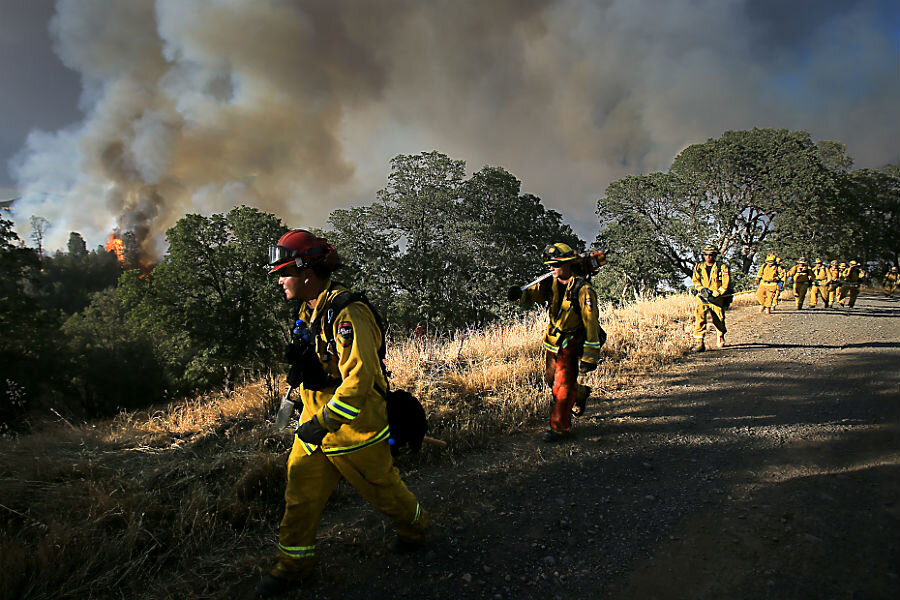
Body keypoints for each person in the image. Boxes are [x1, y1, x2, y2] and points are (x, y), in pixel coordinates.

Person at [256, 229, 428, 596]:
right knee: (299, 495)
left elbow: (360, 379)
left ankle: (416, 530)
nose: (280, 280)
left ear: (306, 273)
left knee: (384, 491)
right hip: (314, 427)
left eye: (284, 273)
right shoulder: (309, 311)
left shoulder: (348, 314)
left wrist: (326, 421)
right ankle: (292, 566)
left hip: (355, 429)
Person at [508, 243, 606, 442]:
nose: (550, 268)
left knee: (562, 388)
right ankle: (580, 394)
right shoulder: (549, 283)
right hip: (552, 343)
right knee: (552, 383)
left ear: (567, 264)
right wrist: (520, 295)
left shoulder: (582, 289)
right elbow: (532, 296)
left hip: (571, 343)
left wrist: (590, 356)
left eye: (554, 264)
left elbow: (591, 323)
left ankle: (560, 428)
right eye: (549, 264)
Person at [690, 245, 731, 352]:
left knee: (719, 319)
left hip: (717, 298)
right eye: (706, 255)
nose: (709, 257)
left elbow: (726, 282)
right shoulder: (698, 267)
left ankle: (721, 334)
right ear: (703, 255)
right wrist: (702, 289)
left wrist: (718, 292)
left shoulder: (722, 267)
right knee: (700, 318)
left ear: (715, 255)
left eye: (711, 255)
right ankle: (699, 342)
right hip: (702, 298)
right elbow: (696, 281)